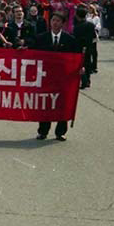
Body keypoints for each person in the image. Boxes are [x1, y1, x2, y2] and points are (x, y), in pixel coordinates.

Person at [34, 12, 79, 141]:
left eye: (58, 21)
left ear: (63, 24)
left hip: (64, 78)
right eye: (53, 20)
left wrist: (80, 69)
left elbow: (76, 57)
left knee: (62, 104)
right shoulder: (41, 38)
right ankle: (43, 131)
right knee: (45, 104)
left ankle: (60, 132)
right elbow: (33, 54)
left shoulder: (70, 40)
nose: (55, 23)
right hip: (46, 77)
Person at [72, 5, 97, 89]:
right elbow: (94, 36)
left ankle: (84, 81)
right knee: (88, 63)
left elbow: (75, 38)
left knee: (80, 65)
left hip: (80, 47)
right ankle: (88, 80)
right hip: (89, 46)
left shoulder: (77, 27)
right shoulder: (91, 25)